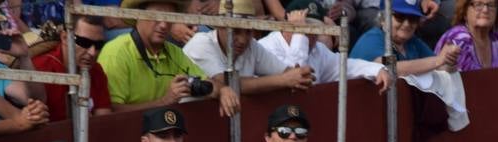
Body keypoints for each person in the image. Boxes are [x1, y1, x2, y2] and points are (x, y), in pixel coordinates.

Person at [96, 0, 241, 116]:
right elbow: (111, 113)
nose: (164, 24)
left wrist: (223, 90)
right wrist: (164, 101)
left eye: (169, 18)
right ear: (138, 14)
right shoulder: (116, 52)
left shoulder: (174, 52)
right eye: (156, 17)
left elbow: (205, 81)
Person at [183, 0, 317, 95]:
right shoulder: (200, 43)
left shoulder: (252, 46)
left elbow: (286, 72)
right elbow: (226, 83)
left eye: (248, 31)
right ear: (219, 26)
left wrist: (299, 76)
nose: (242, 40)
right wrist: (284, 80)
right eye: (235, 31)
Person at [257, 0, 393, 92]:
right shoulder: (266, 47)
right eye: (306, 30)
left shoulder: (317, 50)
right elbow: (297, 79)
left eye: (316, 30)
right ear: (287, 25)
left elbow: (346, 66)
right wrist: (299, 34)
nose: (312, 36)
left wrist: (378, 69)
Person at [29, 17, 115, 120]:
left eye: (98, 45)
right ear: (65, 38)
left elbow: (103, 121)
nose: (92, 52)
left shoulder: (96, 70)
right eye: (84, 42)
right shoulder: (40, 68)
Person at [350, 0, 462, 76]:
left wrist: (449, 61)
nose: (407, 24)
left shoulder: (412, 42)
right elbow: (389, 66)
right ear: (383, 18)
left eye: (413, 18)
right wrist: (437, 61)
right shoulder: (372, 39)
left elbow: (441, 69)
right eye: (400, 17)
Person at [433, 0, 498, 71]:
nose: (485, 10)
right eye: (478, 4)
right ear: (464, 11)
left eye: (491, 5)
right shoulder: (459, 39)